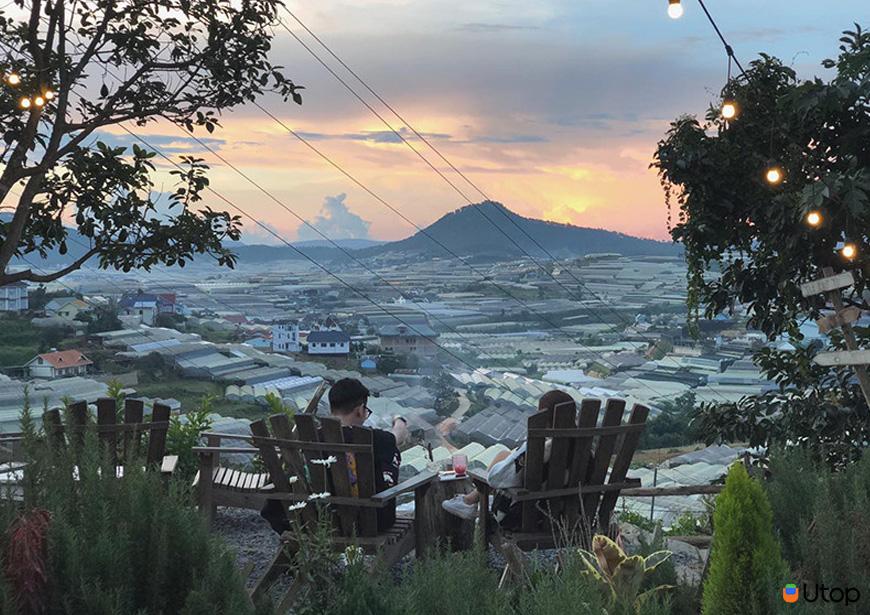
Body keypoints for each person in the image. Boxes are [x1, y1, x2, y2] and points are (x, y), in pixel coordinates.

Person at [260, 378, 409, 534]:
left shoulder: (310, 439)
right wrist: (399, 420)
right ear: (360, 410)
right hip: (371, 524)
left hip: (318, 520)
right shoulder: (376, 438)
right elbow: (398, 436)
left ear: (332, 408)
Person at [441, 390, 576, 526]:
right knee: (504, 454)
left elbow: (496, 478)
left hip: (525, 517)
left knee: (502, 459)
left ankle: (470, 501)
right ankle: (470, 500)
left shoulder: (542, 448)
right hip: (568, 517)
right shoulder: (586, 449)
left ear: (543, 415)